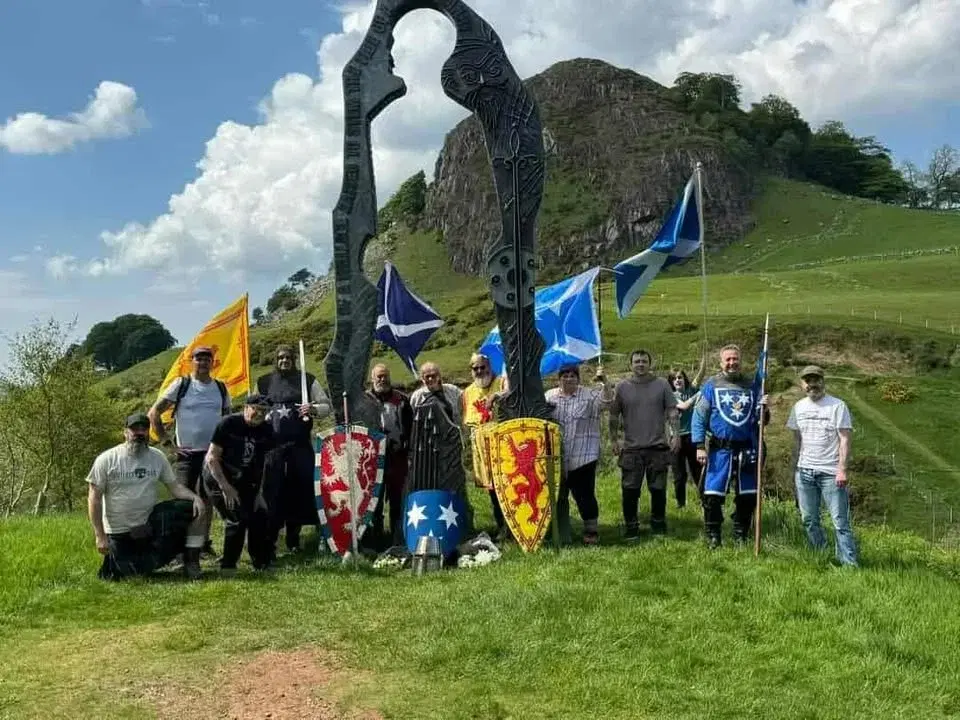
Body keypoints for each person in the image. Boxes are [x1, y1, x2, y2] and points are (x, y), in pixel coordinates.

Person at [87, 413, 206, 580]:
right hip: (120, 531)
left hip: (149, 525)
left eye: (144, 429)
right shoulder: (107, 459)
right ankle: (125, 562)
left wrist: (196, 498)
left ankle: (191, 561)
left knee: (193, 508)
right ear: (125, 432)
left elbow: (175, 487)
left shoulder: (157, 457)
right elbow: (94, 498)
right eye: (134, 429)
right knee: (132, 575)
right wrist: (100, 536)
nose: (139, 433)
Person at [148, 345, 231, 558]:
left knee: (208, 499)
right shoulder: (181, 384)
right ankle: (179, 550)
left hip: (212, 455)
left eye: (207, 359)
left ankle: (203, 544)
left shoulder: (221, 388)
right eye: (198, 359)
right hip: (186, 455)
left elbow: (227, 419)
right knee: (184, 502)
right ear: (191, 361)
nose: (203, 362)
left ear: (212, 363)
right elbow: (154, 412)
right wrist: (167, 442)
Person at [257, 345, 332, 555]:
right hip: (273, 449)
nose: (284, 361)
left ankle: (294, 540)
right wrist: (261, 415)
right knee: (273, 493)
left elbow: (327, 406)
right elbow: (254, 407)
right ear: (276, 360)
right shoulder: (263, 382)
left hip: (300, 447)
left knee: (299, 492)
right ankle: (269, 542)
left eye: (288, 357)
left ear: (294, 359)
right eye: (281, 357)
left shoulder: (307, 380)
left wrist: (314, 408)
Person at [691, 344, 769, 548]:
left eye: (735, 359)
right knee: (712, 495)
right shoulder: (711, 386)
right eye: (728, 359)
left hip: (747, 449)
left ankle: (741, 533)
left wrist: (764, 409)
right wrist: (699, 445)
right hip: (720, 450)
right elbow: (699, 417)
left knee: (748, 495)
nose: (732, 363)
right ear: (721, 362)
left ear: (740, 361)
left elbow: (761, 420)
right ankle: (713, 535)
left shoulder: (752, 386)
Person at [786, 366, 858, 567]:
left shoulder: (838, 406)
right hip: (804, 471)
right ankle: (821, 555)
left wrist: (842, 469)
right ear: (802, 384)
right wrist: (795, 468)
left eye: (816, 380)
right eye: (807, 381)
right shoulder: (798, 407)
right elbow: (797, 439)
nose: (812, 384)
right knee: (809, 519)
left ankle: (849, 563)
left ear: (823, 381)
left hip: (830, 473)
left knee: (839, 521)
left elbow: (845, 439)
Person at [608, 349, 680, 539]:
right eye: (637, 361)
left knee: (658, 489)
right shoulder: (622, 387)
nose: (640, 364)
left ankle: (658, 524)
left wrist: (676, 435)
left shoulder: (662, 384)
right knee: (630, 490)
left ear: (650, 364)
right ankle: (631, 527)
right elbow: (613, 415)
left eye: (644, 361)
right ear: (630, 364)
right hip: (631, 449)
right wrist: (613, 439)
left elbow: (672, 411)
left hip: (658, 447)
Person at [202, 394, 277, 573]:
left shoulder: (266, 430)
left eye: (264, 411)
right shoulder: (228, 424)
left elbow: (261, 464)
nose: (260, 414)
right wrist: (226, 487)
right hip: (218, 476)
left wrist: (258, 493)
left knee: (259, 514)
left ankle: (261, 562)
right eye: (256, 409)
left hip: (245, 479)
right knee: (237, 517)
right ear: (246, 408)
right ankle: (228, 566)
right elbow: (212, 458)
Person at [545, 363, 613, 545]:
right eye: (565, 375)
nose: (569, 379)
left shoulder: (590, 395)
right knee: (558, 496)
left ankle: (591, 531)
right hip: (557, 457)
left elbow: (608, 403)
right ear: (559, 379)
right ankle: (559, 530)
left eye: (572, 375)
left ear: (578, 378)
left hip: (584, 455)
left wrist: (605, 382)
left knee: (584, 496)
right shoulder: (549, 396)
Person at [461, 353, 509, 540]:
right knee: (494, 492)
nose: (480, 371)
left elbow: (512, 393)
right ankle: (502, 527)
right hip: (483, 449)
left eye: (483, 367)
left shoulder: (502, 382)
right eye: (476, 368)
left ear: (490, 367)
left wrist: (498, 395)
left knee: (508, 488)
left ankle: (514, 526)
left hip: (505, 447)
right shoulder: (467, 393)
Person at [365, 364, 413, 547]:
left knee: (397, 501)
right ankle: (377, 541)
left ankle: (398, 539)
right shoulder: (364, 400)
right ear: (372, 379)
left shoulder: (401, 400)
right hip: (372, 459)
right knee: (374, 502)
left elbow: (410, 429)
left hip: (397, 457)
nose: (382, 379)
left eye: (385, 376)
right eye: (378, 376)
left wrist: (409, 453)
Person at [667, 356, 706, 509]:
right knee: (679, 475)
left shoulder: (691, 390)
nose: (677, 380)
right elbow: (684, 406)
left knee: (698, 472)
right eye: (674, 378)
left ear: (684, 379)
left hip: (693, 437)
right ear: (671, 382)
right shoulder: (670, 396)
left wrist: (704, 359)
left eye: (680, 377)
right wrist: (701, 393)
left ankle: (704, 501)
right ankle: (681, 504)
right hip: (676, 438)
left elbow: (701, 374)